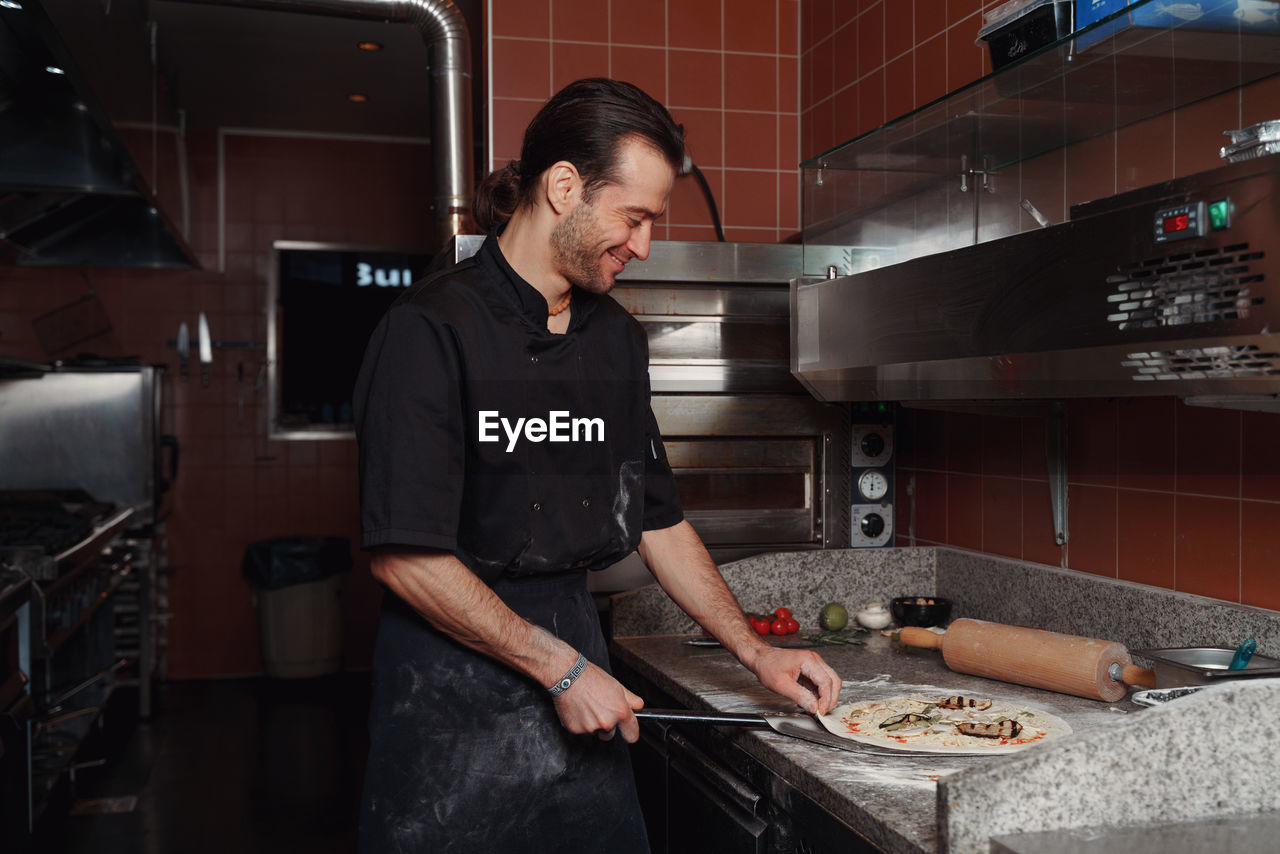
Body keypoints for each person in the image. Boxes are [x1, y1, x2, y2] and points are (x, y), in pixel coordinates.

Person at [353, 77, 842, 853]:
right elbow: (405, 556)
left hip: (580, 678)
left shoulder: (615, 340)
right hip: (451, 701)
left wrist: (756, 651)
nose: (644, 245)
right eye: (635, 216)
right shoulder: (429, 330)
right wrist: (560, 671)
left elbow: (655, 517)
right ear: (562, 186)